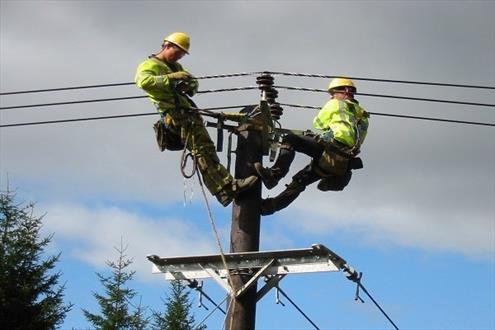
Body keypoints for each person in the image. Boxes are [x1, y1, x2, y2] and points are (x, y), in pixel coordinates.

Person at [135, 32, 257, 207]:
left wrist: (190, 85)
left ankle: (225, 190)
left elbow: (193, 82)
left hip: (188, 113)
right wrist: (170, 79)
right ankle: (226, 187)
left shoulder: (176, 67)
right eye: (178, 51)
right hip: (175, 116)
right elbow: (143, 82)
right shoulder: (150, 65)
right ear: (167, 46)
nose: (180, 56)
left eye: (182, 53)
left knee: (206, 149)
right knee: (202, 151)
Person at [254, 78, 369, 215]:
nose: (331, 96)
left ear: (345, 90)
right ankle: (269, 207)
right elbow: (360, 137)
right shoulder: (363, 115)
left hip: (332, 149)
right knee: (300, 181)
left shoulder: (335, 104)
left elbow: (318, 123)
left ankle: (275, 175)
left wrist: (329, 127)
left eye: (333, 93)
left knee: (291, 139)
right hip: (342, 161)